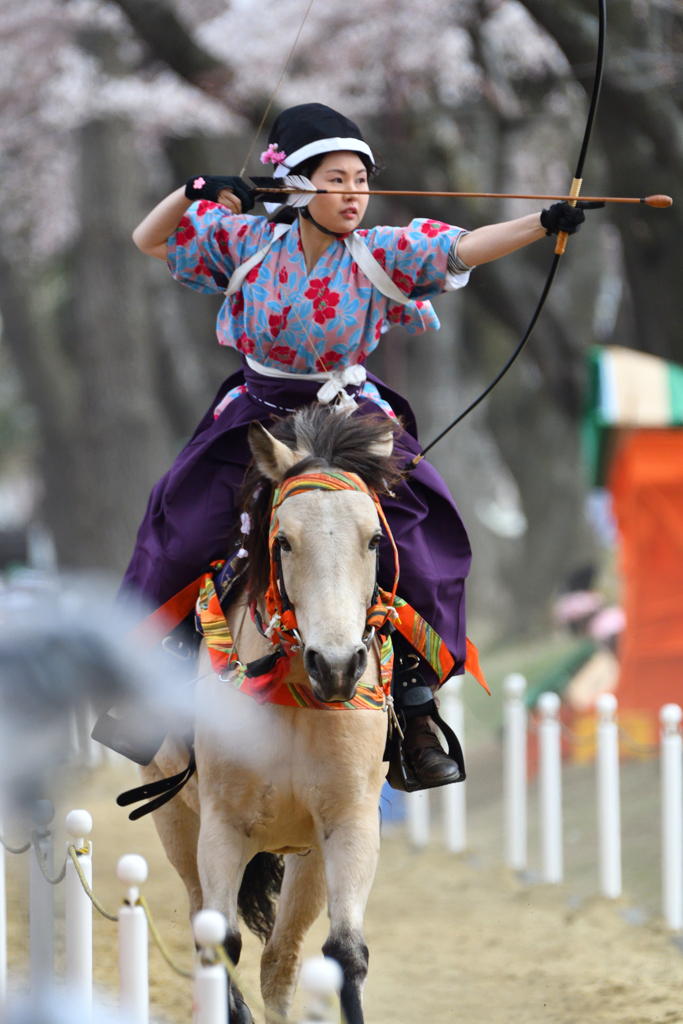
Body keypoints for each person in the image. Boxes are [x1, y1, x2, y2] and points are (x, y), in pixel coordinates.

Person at [122, 102, 597, 785]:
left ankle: (414, 707)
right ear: (295, 184)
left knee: (423, 546)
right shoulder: (243, 239)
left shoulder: (381, 252)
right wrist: (193, 190)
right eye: (336, 178)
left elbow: (462, 247)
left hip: (348, 417)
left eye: (360, 180)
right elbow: (148, 237)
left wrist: (542, 222)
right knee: (184, 530)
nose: (352, 193)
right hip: (255, 413)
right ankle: (155, 685)